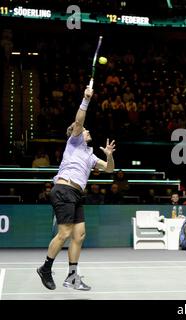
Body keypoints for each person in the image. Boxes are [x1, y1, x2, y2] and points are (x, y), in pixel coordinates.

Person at [37, 86, 116, 291]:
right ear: (75, 133)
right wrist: (85, 100)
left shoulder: (90, 156)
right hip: (64, 189)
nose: (86, 130)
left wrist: (109, 155)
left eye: (85, 129)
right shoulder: (73, 143)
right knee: (64, 233)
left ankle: (72, 276)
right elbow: (79, 121)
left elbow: (109, 169)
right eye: (83, 129)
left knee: (79, 235)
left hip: (77, 193)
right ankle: (45, 268)